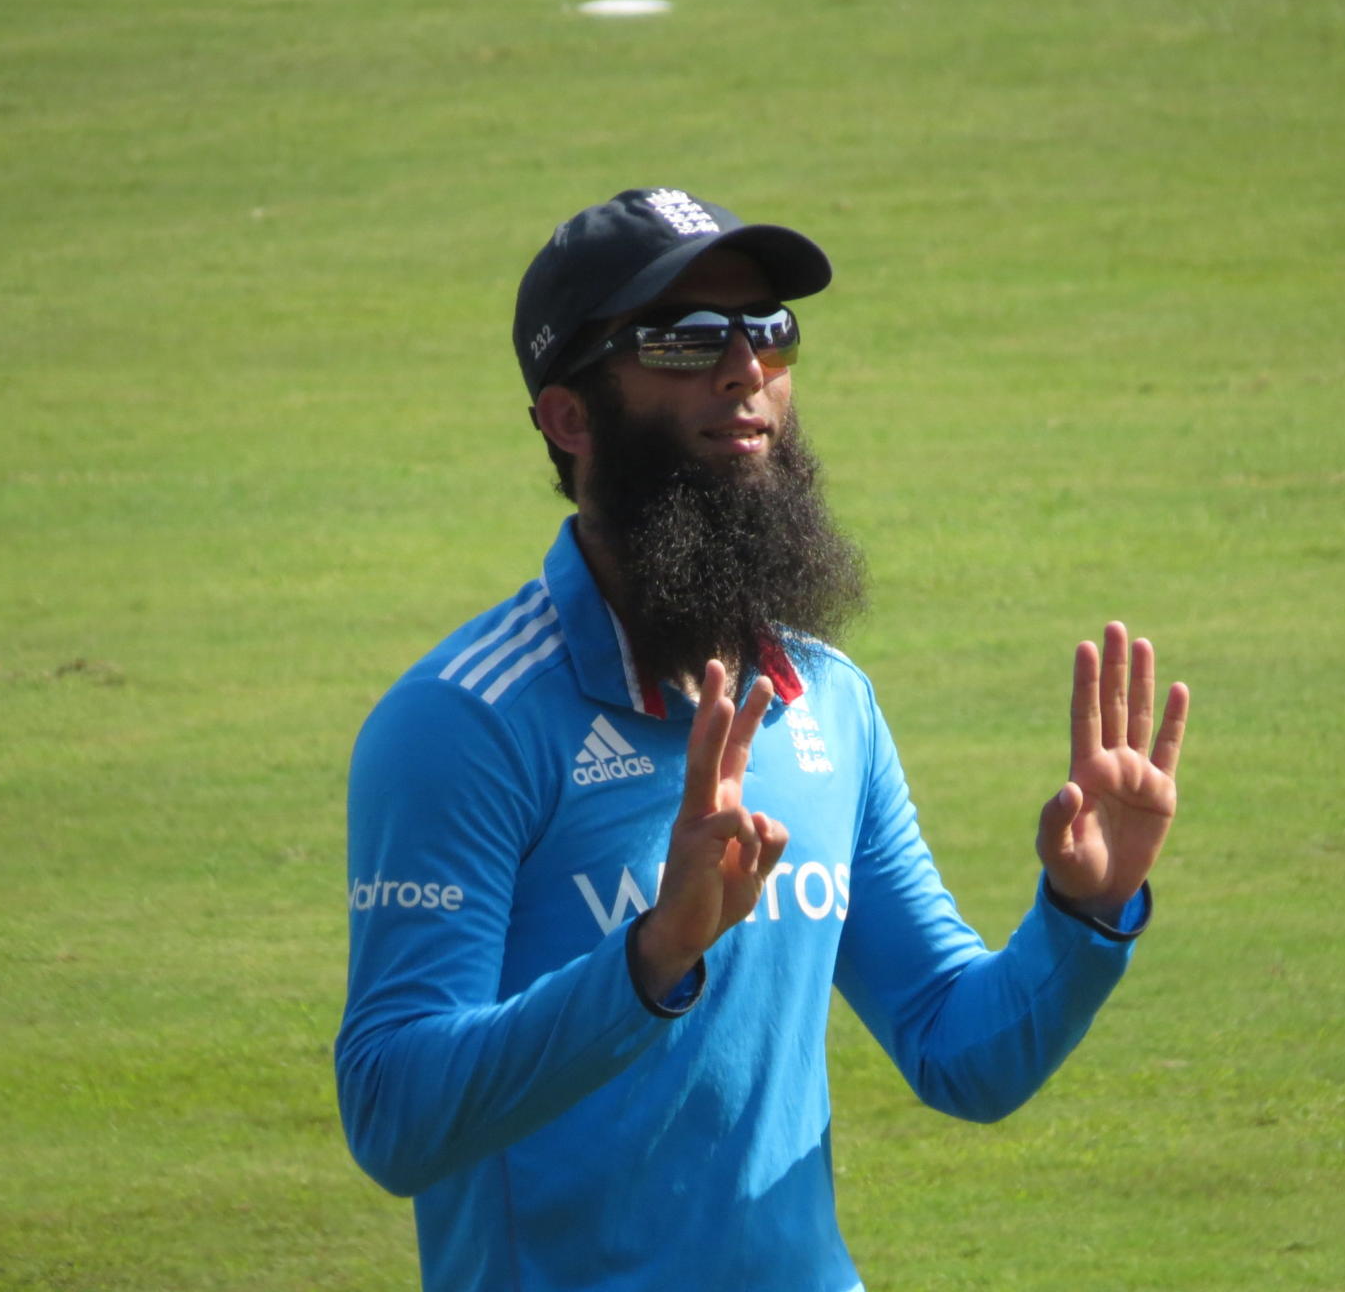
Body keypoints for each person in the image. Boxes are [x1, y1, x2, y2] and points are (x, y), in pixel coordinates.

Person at [334, 187, 1190, 1292]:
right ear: (569, 418)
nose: (745, 370)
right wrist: (650, 959)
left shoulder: (827, 702)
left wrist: (1083, 917)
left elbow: (957, 1047)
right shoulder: (465, 725)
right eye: (685, 339)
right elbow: (395, 1117)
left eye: (768, 331)